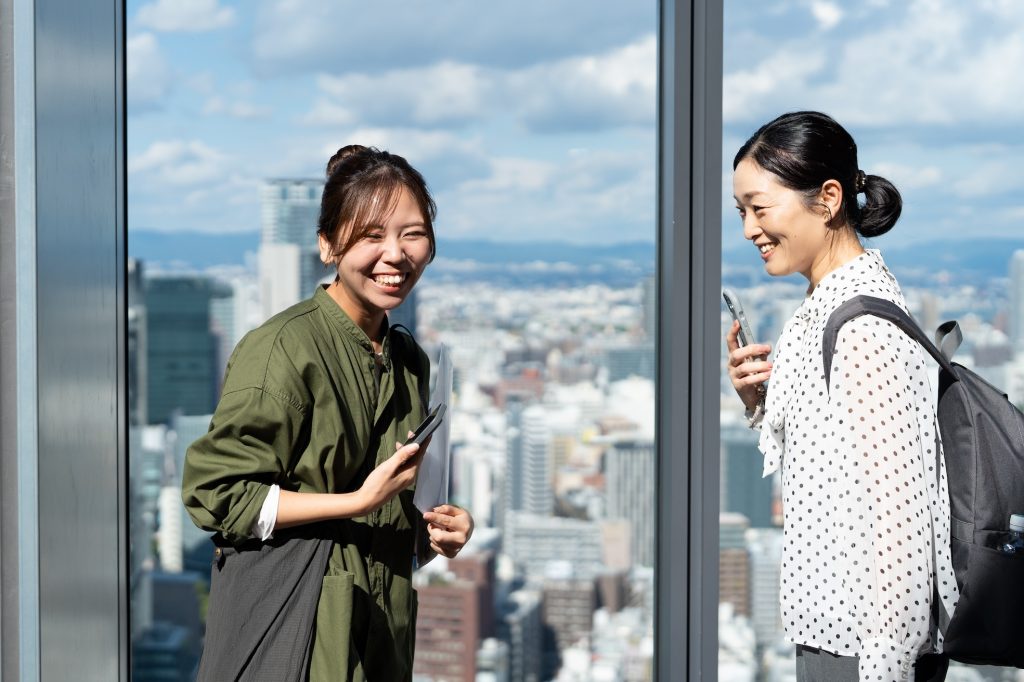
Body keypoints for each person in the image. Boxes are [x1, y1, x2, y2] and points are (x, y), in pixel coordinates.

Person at [182, 145, 473, 681]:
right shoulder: (284, 350)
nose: (395, 254)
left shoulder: (407, 360)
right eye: (371, 235)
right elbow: (215, 494)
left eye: (412, 234)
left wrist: (435, 534)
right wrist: (357, 501)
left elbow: (385, 522)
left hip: (380, 642)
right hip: (297, 638)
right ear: (327, 245)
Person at [725, 112, 958, 682]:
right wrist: (759, 403)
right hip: (838, 633)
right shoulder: (825, 305)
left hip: (864, 647)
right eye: (741, 212)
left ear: (828, 199)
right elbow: (835, 468)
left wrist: (885, 667)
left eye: (760, 208)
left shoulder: (861, 327)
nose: (749, 229)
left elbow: (900, 525)